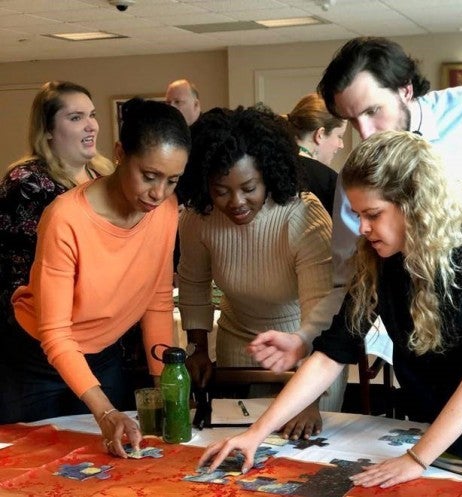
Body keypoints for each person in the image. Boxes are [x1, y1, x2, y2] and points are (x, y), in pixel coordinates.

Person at [199, 130, 462, 488]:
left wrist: (415, 458)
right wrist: (257, 433)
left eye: (373, 214)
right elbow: (332, 353)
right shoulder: (383, 259)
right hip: (431, 433)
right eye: (358, 214)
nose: (362, 228)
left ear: (415, 204)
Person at [250, 36, 462, 376]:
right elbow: (352, 283)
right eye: (352, 121)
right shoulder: (355, 184)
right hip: (422, 350)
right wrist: (305, 338)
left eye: (373, 111)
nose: (366, 133)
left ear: (405, 90)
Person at [3, 98, 190, 459]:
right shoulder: (65, 218)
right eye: (149, 176)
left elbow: (158, 299)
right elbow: (55, 334)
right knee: (36, 468)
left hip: (103, 354)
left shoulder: (165, 210)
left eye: (172, 180)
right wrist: (104, 411)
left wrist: (164, 382)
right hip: (34, 361)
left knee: (119, 462)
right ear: (120, 153)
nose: (159, 193)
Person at [176, 105, 347, 440]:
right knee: (241, 439)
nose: (236, 202)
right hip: (238, 338)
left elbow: (320, 311)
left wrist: (308, 396)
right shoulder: (198, 218)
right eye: (221, 190)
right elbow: (193, 283)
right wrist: (197, 347)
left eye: (249, 187)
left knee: (301, 446)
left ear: (269, 175)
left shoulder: (303, 216)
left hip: (307, 346)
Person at [0, 80, 113, 348]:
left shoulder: (104, 174)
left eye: (92, 115)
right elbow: (13, 269)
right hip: (46, 330)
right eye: (76, 118)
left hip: (103, 326)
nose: (91, 125)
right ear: (48, 129)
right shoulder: (27, 182)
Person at [287, 93, 346, 216]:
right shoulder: (328, 181)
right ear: (320, 134)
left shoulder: (269, 166)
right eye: (339, 136)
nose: (341, 145)